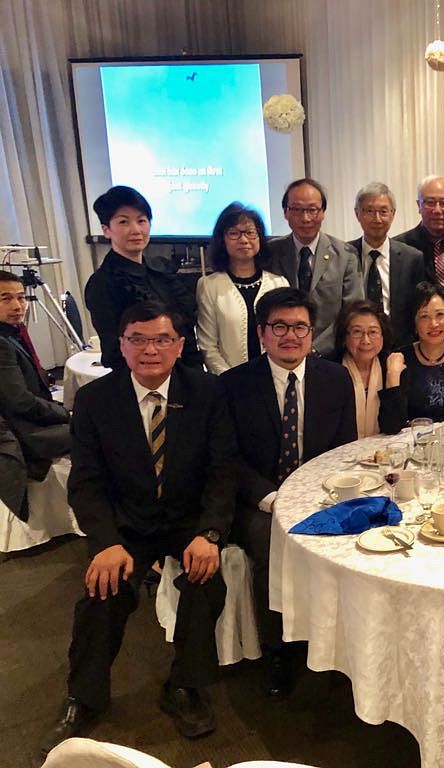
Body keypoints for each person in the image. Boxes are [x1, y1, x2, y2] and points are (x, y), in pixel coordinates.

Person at [43, 302, 236, 753]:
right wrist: (105, 543)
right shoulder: (95, 400)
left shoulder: (207, 392)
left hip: (188, 519)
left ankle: (185, 685)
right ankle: (84, 695)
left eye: (162, 339)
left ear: (180, 346)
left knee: (206, 583)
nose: (150, 349)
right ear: (122, 345)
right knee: (102, 592)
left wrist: (209, 533)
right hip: (126, 521)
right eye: (138, 339)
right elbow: (86, 482)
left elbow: (223, 470)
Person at [221, 287, 357, 698]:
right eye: (279, 326)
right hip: (259, 500)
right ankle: (279, 648)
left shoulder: (335, 378)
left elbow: (344, 449)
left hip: (319, 493)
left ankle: (340, 640)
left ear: (312, 333)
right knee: (274, 543)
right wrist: (273, 499)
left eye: (300, 327)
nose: (291, 336)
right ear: (261, 333)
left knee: (355, 536)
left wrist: (320, 496)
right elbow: (227, 459)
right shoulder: (233, 385)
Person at [84, 186, 202, 370]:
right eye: (123, 222)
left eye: (141, 221)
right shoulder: (102, 283)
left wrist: (195, 377)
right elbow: (115, 352)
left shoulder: (161, 270)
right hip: (143, 378)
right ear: (106, 230)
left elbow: (187, 333)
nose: (135, 230)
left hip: (186, 374)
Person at [263, 178, 363, 358]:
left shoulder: (345, 255)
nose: (305, 218)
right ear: (285, 213)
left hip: (330, 356)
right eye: (297, 210)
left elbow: (351, 311)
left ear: (323, 212)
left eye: (312, 210)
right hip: (282, 352)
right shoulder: (270, 253)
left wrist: (314, 348)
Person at [195, 203, 289, 374]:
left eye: (250, 232)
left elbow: (285, 337)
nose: (244, 240)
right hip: (228, 381)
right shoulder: (209, 286)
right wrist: (231, 379)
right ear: (222, 240)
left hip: (276, 379)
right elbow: (208, 346)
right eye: (234, 233)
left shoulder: (279, 284)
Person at [0, 271, 70, 478]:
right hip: (24, 434)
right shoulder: (2, 344)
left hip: (30, 420)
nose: (17, 306)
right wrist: (63, 413)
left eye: (21, 298)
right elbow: (20, 402)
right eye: (6, 299)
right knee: (102, 427)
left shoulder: (10, 334)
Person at [384, 282, 444, 426]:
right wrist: (392, 377)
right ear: (414, 322)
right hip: (409, 438)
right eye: (424, 316)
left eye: (440, 314)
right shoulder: (400, 359)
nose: (433, 324)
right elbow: (391, 424)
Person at [347, 182, 427, 348]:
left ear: (393, 214)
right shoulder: (344, 254)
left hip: (399, 346)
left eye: (383, 211)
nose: (377, 219)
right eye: (369, 211)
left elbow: (417, 308)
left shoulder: (412, 258)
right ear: (357, 213)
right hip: (356, 346)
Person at [333, 299, 405, 438]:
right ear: (344, 337)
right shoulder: (330, 369)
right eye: (357, 332)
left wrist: (392, 379)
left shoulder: (392, 365)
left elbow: (393, 427)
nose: (365, 340)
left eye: (373, 332)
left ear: (383, 335)